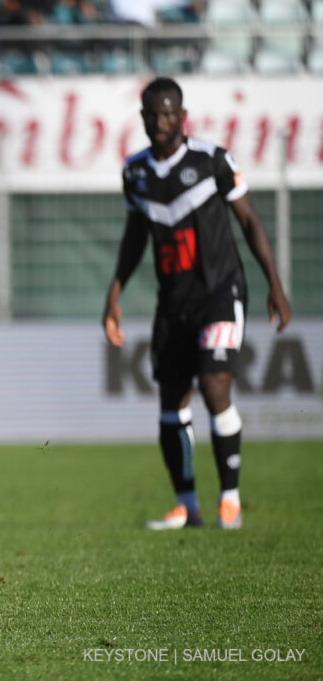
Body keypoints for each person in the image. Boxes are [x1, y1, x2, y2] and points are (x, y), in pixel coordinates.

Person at [102, 77, 291, 531]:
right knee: (171, 400)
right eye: (154, 115)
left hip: (221, 293)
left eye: (170, 114)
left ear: (182, 117)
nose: (162, 122)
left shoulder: (213, 161)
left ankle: (230, 500)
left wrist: (275, 284)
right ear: (144, 118)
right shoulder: (136, 172)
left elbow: (249, 221)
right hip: (173, 303)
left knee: (214, 386)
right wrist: (114, 295)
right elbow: (134, 239)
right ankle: (187, 506)